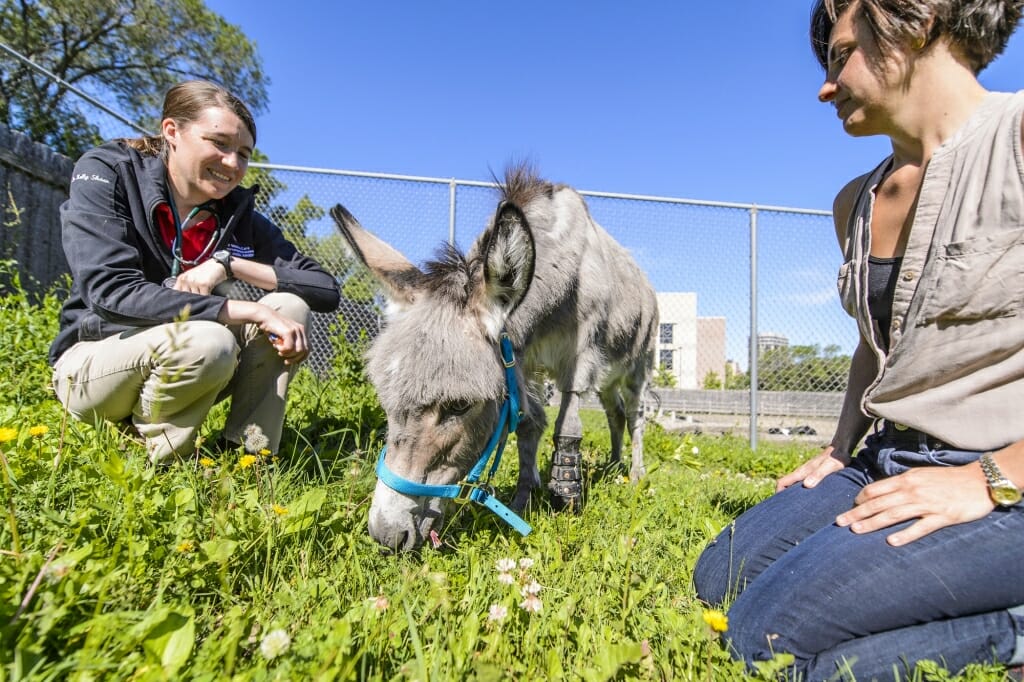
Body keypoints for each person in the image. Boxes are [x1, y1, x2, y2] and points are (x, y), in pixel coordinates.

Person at [693, 0, 1024, 679]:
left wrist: (990, 479)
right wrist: (841, 445)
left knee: (766, 638)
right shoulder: (856, 201)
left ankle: (1011, 636)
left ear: (917, 18)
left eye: (841, 54)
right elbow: (875, 348)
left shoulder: (1016, 136)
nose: (825, 86)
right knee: (717, 577)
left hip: (998, 476)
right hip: (887, 460)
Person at [49, 80, 340, 464]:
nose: (233, 164)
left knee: (288, 307)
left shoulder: (237, 214)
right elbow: (109, 291)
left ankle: (249, 456)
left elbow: (324, 289)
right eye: (219, 143)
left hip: (187, 359)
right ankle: (160, 461)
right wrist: (249, 310)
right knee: (208, 340)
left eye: (244, 153)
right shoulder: (110, 172)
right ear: (173, 131)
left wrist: (227, 264)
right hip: (95, 361)